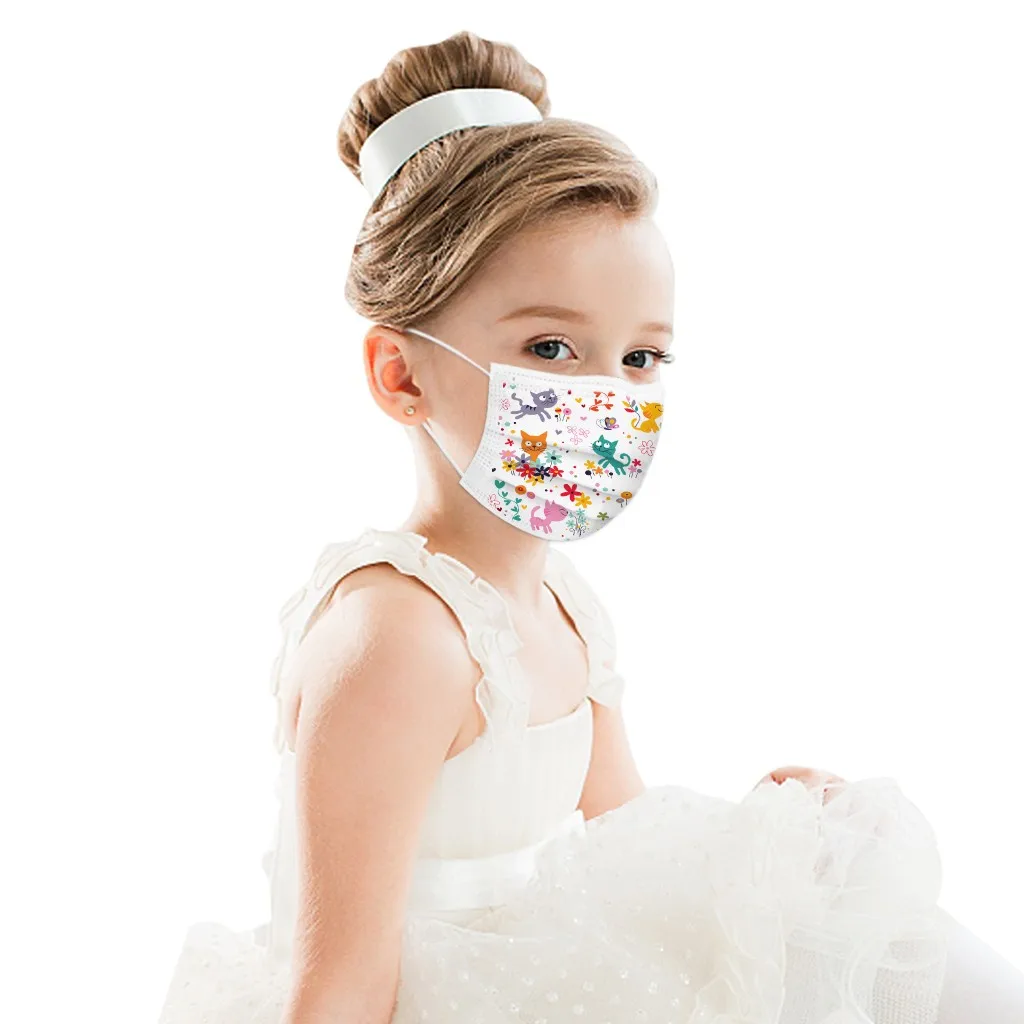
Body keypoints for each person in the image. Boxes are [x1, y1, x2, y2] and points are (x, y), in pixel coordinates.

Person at [157, 30, 1024, 1024]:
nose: (605, 398)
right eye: (551, 347)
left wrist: (769, 838)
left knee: (857, 893)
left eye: (641, 358)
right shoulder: (398, 637)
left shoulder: (561, 606)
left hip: (544, 984)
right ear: (402, 374)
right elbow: (340, 989)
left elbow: (625, 842)